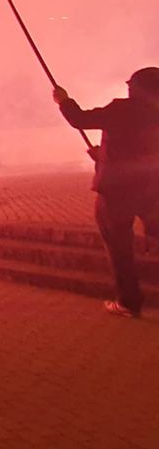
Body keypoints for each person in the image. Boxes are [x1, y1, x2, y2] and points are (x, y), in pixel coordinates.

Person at [54, 67, 159, 318]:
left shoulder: (121, 109)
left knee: (119, 248)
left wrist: (64, 101)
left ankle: (128, 302)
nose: (128, 89)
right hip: (151, 187)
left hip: (116, 191)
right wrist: (102, 155)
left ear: (139, 89)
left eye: (132, 85)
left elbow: (80, 119)